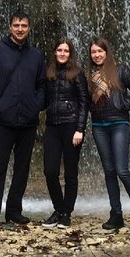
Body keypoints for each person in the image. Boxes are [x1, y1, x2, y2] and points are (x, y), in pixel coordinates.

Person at [0, 11, 45, 228]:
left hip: (28, 120)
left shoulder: (35, 54)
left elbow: (43, 85)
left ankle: (14, 211)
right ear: (10, 27)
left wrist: (35, 105)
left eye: (24, 25)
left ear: (29, 28)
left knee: (22, 168)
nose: (19, 29)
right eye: (16, 25)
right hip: (2, 120)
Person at [88, 36, 130, 234]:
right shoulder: (90, 76)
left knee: (122, 170)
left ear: (107, 52)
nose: (97, 55)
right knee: (108, 171)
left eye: (100, 51)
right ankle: (116, 215)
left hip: (119, 124)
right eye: (93, 52)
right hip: (98, 125)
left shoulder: (120, 70)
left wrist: (125, 105)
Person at [41, 38, 89, 227]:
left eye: (66, 51)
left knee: (70, 173)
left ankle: (66, 212)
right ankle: (59, 209)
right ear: (54, 52)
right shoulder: (49, 73)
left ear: (70, 54)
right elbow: (44, 99)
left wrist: (80, 129)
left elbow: (84, 103)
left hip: (71, 126)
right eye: (59, 50)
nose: (62, 53)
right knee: (50, 171)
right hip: (52, 126)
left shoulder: (77, 74)